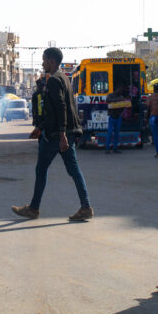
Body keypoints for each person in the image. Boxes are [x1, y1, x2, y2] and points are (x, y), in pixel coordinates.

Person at [12, 47, 92, 221]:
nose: (42, 63)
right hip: (64, 132)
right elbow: (54, 110)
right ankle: (85, 207)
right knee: (74, 170)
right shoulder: (64, 78)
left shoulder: (55, 80)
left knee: (41, 169)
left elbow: (61, 107)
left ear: (52, 61)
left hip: (57, 135)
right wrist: (41, 127)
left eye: (44, 60)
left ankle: (33, 209)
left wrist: (62, 134)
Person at [104, 86, 128, 154]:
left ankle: (115, 148)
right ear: (116, 90)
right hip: (112, 117)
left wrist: (121, 112)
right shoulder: (110, 95)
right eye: (119, 91)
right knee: (110, 133)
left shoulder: (121, 97)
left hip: (118, 117)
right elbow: (108, 100)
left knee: (117, 133)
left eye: (121, 92)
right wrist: (118, 100)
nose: (120, 92)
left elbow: (124, 105)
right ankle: (107, 148)